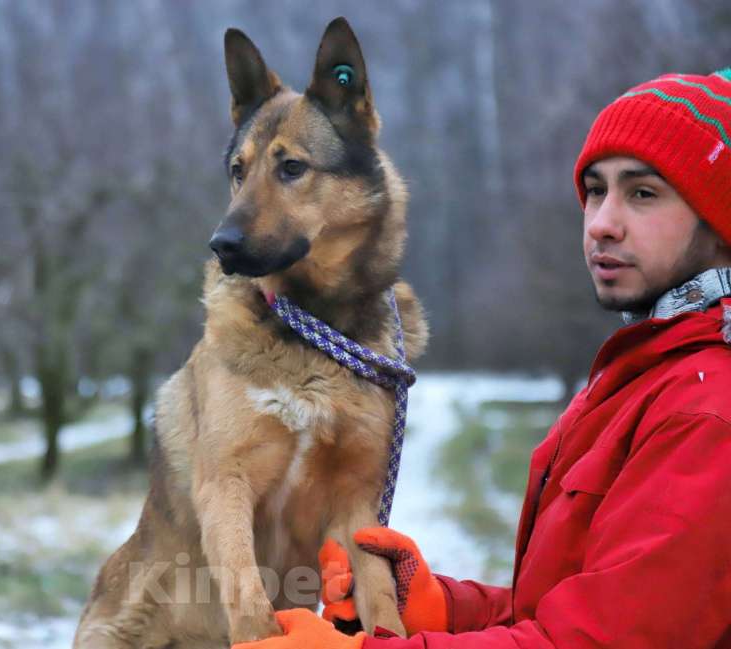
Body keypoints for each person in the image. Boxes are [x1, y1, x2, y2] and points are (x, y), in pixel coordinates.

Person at [234, 68, 731, 649]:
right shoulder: (647, 374)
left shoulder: (706, 412)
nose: (602, 224)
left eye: (643, 194)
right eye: (595, 190)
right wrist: (443, 608)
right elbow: (561, 611)